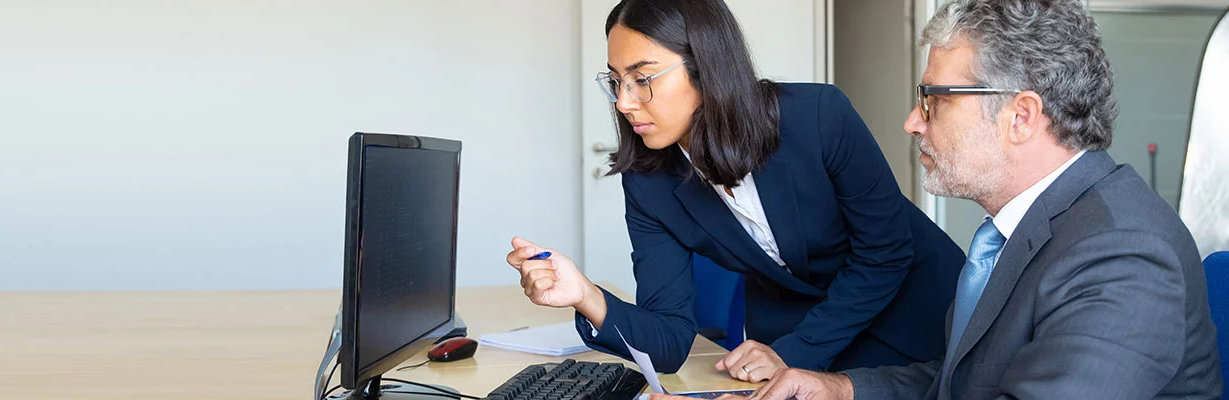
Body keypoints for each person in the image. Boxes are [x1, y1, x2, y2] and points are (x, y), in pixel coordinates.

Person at [686, 0, 1225, 398]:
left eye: (933, 100)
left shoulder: (1121, 253)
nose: (912, 122)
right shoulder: (1026, 227)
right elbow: (962, 382)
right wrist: (839, 389)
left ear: (1021, 116)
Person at [503, 0, 965, 380]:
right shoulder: (649, 182)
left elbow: (884, 254)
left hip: (918, 310)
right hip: (797, 331)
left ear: (705, 67)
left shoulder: (819, 116)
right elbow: (667, 341)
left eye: (642, 79)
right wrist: (586, 295)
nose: (624, 103)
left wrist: (795, 351)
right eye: (616, 81)